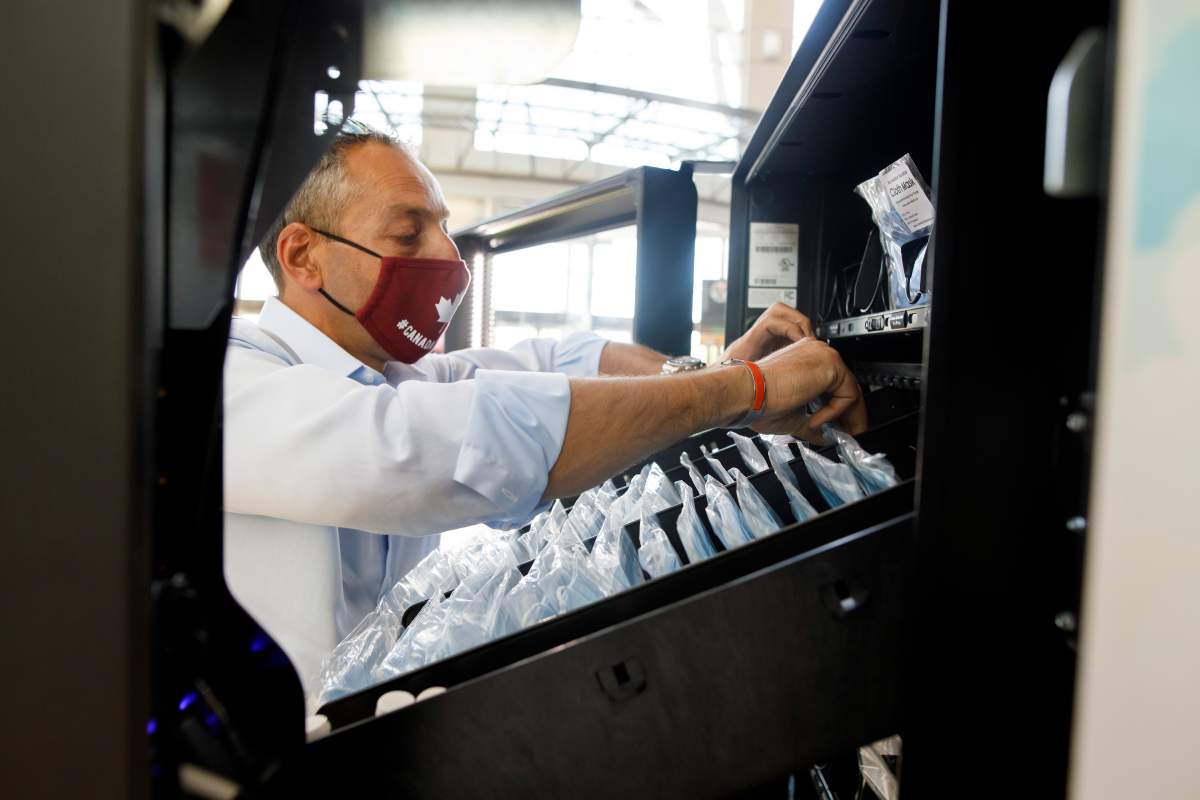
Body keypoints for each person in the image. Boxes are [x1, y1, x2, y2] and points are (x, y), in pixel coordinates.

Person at [223, 128, 867, 693]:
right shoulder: (233, 385)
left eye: (443, 227)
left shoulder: (395, 377)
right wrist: (746, 390)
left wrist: (714, 374)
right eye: (407, 232)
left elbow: (561, 362)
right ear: (303, 255)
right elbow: (450, 444)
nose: (446, 257)